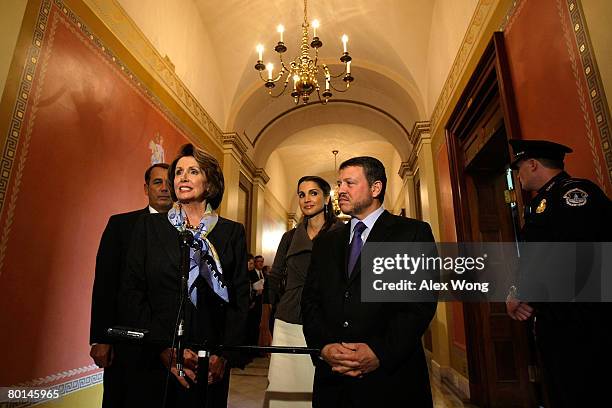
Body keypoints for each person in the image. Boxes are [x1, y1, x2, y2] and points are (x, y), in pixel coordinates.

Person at [301, 157, 437, 408]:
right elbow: (310, 302)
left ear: (375, 189)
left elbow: (420, 303)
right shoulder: (325, 242)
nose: (340, 190)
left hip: (391, 381)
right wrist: (324, 347)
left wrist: (380, 352)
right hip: (334, 381)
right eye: (339, 183)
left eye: (349, 183)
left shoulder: (412, 233)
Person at [120, 144, 250, 407]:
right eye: (179, 172)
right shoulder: (148, 227)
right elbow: (132, 290)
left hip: (209, 360)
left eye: (193, 171)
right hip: (158, 356)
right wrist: (162, 348)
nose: (183, 177)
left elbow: (239, 298)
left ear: (210, 182)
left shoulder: (231, 232)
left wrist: (223, 355)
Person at [505, 139, 611, 407]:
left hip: (585, 323)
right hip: (558, 321)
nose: (518, 176)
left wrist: (523, 293)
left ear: (532, 164)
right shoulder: (541, 202)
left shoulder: (574, 195)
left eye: (520, 168)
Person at [89, 163, 172, 407]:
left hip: (169, 345)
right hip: (127, 343)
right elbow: (105, 283)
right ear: (146, 188)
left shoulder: (189, 230)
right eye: (158, 182)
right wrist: (100, 337)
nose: (164, 188)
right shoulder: (120, 226)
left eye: (169, 183)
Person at [261, 176, 342, 408]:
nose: (307, 199)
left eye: (313, 193)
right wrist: (264, 323)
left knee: (324, 389)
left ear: (327, 198)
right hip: (288, 320)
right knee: (284, 388)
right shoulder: (289, 237)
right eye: (301, 194)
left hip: (328, 323)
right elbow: (274, 279)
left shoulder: (342, 233)